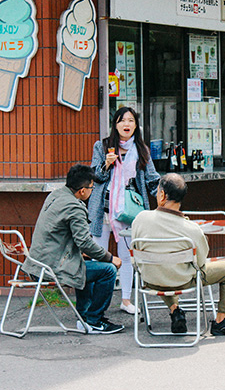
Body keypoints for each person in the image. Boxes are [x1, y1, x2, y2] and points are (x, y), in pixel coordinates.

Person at [131, 173, 225, 336]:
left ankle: (175, 311)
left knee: (163, 270)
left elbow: (135, 252)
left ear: (162, 195)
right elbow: (200, 263)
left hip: (151, 279)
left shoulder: (140, 219)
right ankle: (222, 320)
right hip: (183, 281)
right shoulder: (192, 229)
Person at [22, 164, 124, 334]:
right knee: (108, 270)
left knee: (85, 263)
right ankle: (95, 320)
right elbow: (85, 243)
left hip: (38, 262)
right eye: (92, 187)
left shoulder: (55, 195)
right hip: (52, 267)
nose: (92, 190)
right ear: (82, 191)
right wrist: (109, 257)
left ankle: (84, 317)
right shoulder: (74, 207)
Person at [89, 107, 160, 315]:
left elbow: (152, 179)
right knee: (98, 256)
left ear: (136, 125)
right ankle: (95, 302)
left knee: (127, 257)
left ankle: (126, 300)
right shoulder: (102, 146)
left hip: (130, 210)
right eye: (122, 121)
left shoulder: (142, 149)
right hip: (103, 210)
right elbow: (96, 176)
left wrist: (167, 198)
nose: (126, 124)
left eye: (130, 120)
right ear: (115, 124)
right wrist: (106, 165)